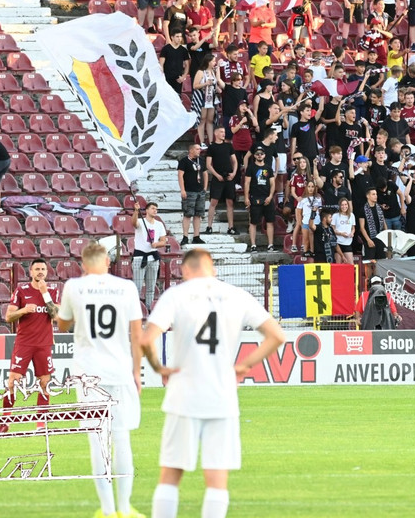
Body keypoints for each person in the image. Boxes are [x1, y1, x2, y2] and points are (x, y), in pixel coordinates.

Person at [143, 247, 286, 518]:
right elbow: (277, 336)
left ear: (184, 270)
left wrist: (158, 366)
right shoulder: (236, 295)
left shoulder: (175, 295)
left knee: (171, 473)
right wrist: (244, 365)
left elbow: (145, 338)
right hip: (222, 395)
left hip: (183, 394)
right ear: (213, 268)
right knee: (217, 479)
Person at [56, 241, 143, 518]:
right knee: (122, 437)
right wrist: (137, 372)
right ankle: (125, 508)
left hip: (87, 374)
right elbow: (136, 334)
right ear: (108, 262)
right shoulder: (126, 287)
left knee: (98, 441)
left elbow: (62, 324)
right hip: (119, 370)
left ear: (83, 264)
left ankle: (106, 510)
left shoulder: (73, 286)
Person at [0, 258, 60, 434]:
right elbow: (9, 317)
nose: (40, 272)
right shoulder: (21, 290)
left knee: (45, 383)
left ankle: (41, 424)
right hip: (24, 343)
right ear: (30, 272)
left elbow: (55, 316)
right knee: (12, 382)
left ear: (47, 272)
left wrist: (45, 293)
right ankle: (5, 423)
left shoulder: (53, 291)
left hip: (43, 344)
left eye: (43, 269)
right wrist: (24, 310)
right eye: (37, 269)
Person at [133, 201, 170, 310]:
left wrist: (157, 244)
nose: (155, 210)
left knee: (150, 287)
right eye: (153, 208)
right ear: (147, 210)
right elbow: (134, 223)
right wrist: (136, 211)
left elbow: (164, 240)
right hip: (140, 257)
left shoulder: (159, 224)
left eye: (156, 209)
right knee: (137, 286)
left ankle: (149, 308)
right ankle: (136, 309)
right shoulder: (141, 221)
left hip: (153, 258)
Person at [243, 145, 277, 254]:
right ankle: (253, 245)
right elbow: (247, 183)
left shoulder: (268, 168)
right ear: (254, 155)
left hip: (267, 198)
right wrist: (246, 197)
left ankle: (270, 245)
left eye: (261, 154)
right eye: (257, 154)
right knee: (253, 222)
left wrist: (270, 196)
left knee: (270, 221)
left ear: (264, 155)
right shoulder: (251, 168)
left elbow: (272, 184)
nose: (259, 155)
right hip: (255, 198)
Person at [204, 127, 238, 236]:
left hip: (228, 176)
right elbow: (208, 164)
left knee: (230, 202)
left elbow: (235, 161)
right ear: (216, 133)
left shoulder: (228, 146)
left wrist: (233, 173)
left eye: (224, 132)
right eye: (221, 132)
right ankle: (209, 226)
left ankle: (231, 227)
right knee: (213, 201)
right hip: (217, 176)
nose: (223, 134)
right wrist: (216, 175)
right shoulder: (212, 147)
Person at [177, 144, 206, 245]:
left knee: (198, 214)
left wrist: (205, 187)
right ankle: (185, 236)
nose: (199, 151)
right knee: (188, 214)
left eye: (200, 149)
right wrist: (183, 190)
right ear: (191, 150)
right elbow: (180, 175)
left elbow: (205, 173)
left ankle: (196, 236)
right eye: (197, 149)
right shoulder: (184, 161)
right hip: (189, 191)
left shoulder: (201, 160)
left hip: (200, 191)